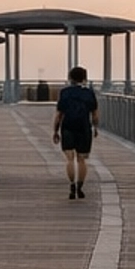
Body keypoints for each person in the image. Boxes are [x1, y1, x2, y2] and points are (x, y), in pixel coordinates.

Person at [53, 65, 98, 197]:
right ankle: (80, 186)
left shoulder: (65, 92)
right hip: (84, 127)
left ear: (70, 78)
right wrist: (95, 127)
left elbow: (59, 114)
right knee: (81, 159)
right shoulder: (89, 93)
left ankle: (72, 184)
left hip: (68, 126)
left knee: (70, 159)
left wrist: (55, 131)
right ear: (84, 78)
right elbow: (95, 114)